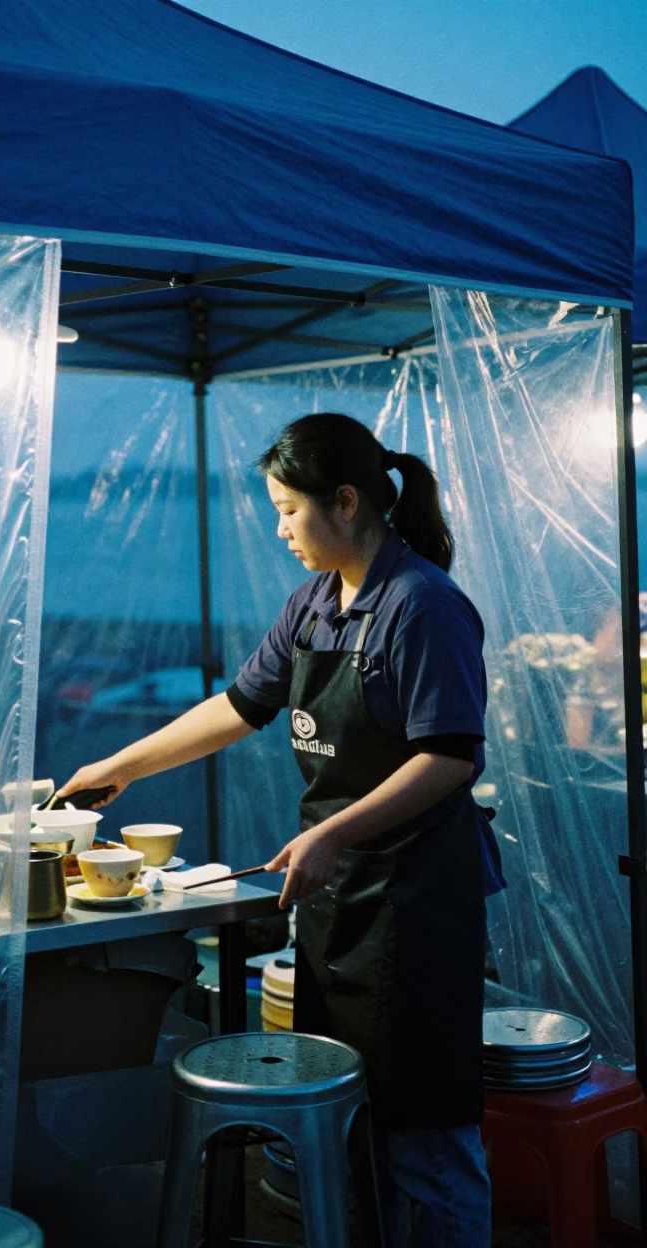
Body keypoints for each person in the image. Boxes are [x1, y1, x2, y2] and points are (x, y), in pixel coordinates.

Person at [58, 412, 495, 1247]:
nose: (281, 530)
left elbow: (449, 757)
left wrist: (333, 833)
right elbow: (238, 707)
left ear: (346, 501)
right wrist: (118, 767)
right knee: (360, 1118)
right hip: (340, 906)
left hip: (418, 903)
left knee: (429, 1139)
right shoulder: (314, 604)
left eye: (290, 511)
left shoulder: (422, 606)